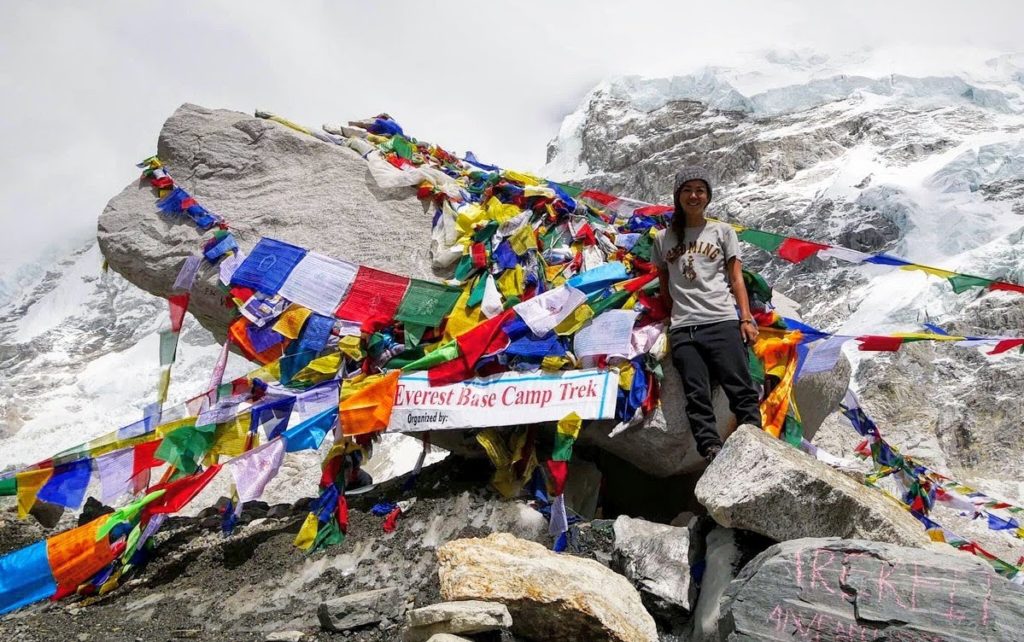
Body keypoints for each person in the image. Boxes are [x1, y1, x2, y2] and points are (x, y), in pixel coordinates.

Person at [652, 167, 762, 462]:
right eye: (687, 190)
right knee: (696, 393)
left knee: (739, 385)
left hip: (722, 320)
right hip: (684, 327)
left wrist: (746, 318)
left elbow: (736, 278)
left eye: (700, 190)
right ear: (678, 196)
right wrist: (673, 314)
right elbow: (664, 282)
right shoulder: (663, 239)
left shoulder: (723, 232)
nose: (694, 195)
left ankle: (755, 438)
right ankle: (711, 449)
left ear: (708, 196)